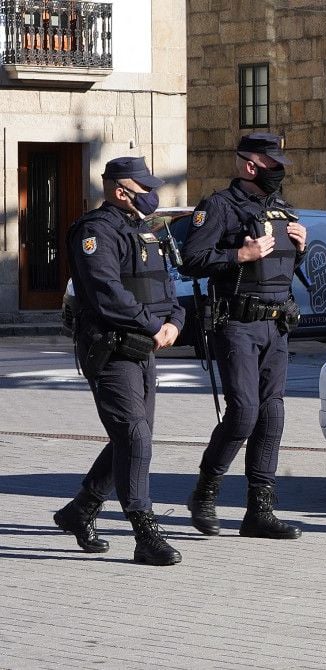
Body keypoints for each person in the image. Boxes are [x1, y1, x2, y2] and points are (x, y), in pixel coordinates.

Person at [55, 156, 184, 566]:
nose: (151, 194)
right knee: (134, 436)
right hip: (108, 347)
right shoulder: (95, 232)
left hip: (141, 347)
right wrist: (153, 325)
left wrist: (175, 322)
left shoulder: (142, 231)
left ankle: (80, 511)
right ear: (119, 189)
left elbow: (165, 290)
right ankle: (144, 531)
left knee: (132, 436)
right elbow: (106, 293)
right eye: (143, 187)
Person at [181, 132, 305, 540]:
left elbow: (283, 271)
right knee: (244, 412)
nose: (279, 173)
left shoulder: (282, 209)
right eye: (273, 166)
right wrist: (240, 254)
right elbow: (192, 260)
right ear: (250, 166)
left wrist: (300, 249)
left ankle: (259, 511)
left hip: (276, 324)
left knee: (272, 415)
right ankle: (205, 492)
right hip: (237, 322)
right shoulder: (218, 207)